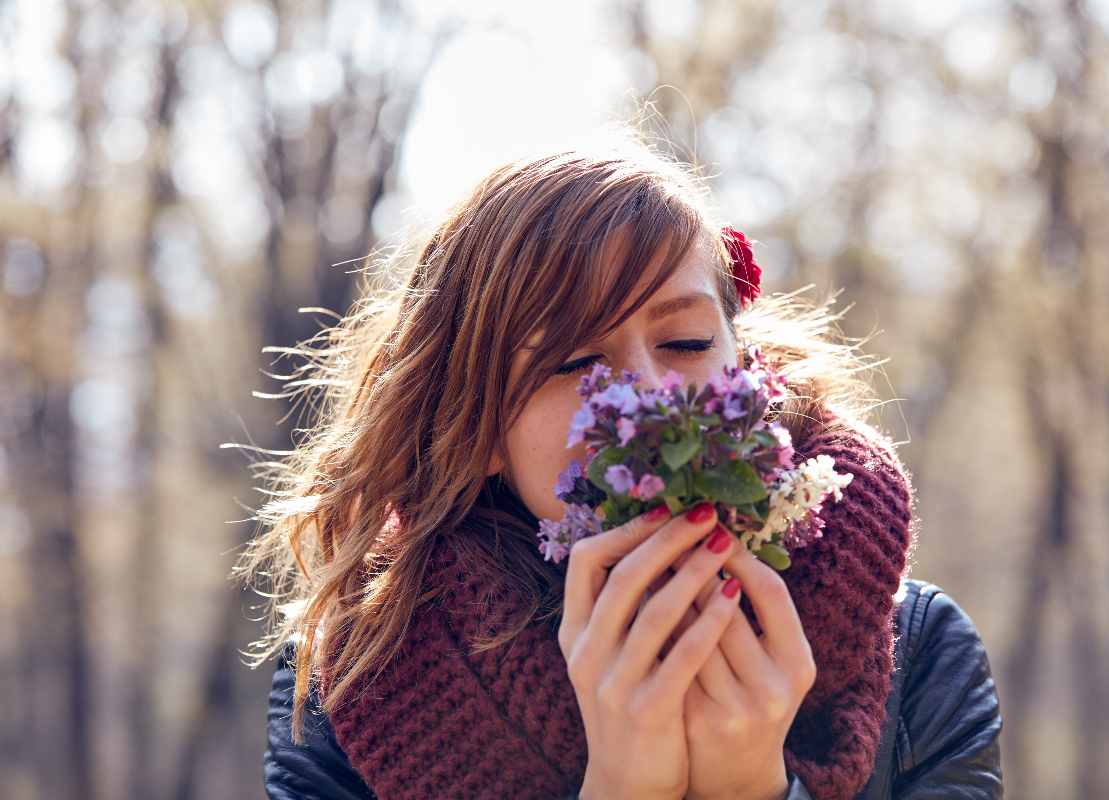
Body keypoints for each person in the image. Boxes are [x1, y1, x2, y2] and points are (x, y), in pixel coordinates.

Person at [246, 143, 1002, 800]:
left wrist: (754, 790)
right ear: (477, 429)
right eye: (576, 362)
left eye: (687, 341)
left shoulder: (921, 651)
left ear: (746, 364)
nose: (648, 399)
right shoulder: (356, 682)